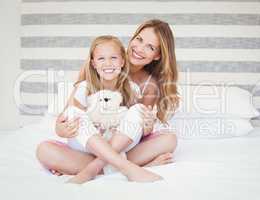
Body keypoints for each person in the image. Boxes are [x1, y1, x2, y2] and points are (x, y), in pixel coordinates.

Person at [36, 19, 180, 178]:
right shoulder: (107, 55)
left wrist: (147, 126)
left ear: (157, 55)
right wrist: (61, 129)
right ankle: (129, 166)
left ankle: (90, 168)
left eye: (150, 47)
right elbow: (70, 113)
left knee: (169, 140)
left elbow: (136, 130)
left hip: (120, 143)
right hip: (92, 142)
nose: (140, 48)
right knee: (44, 150)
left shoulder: (148, 84)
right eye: (139, 39)